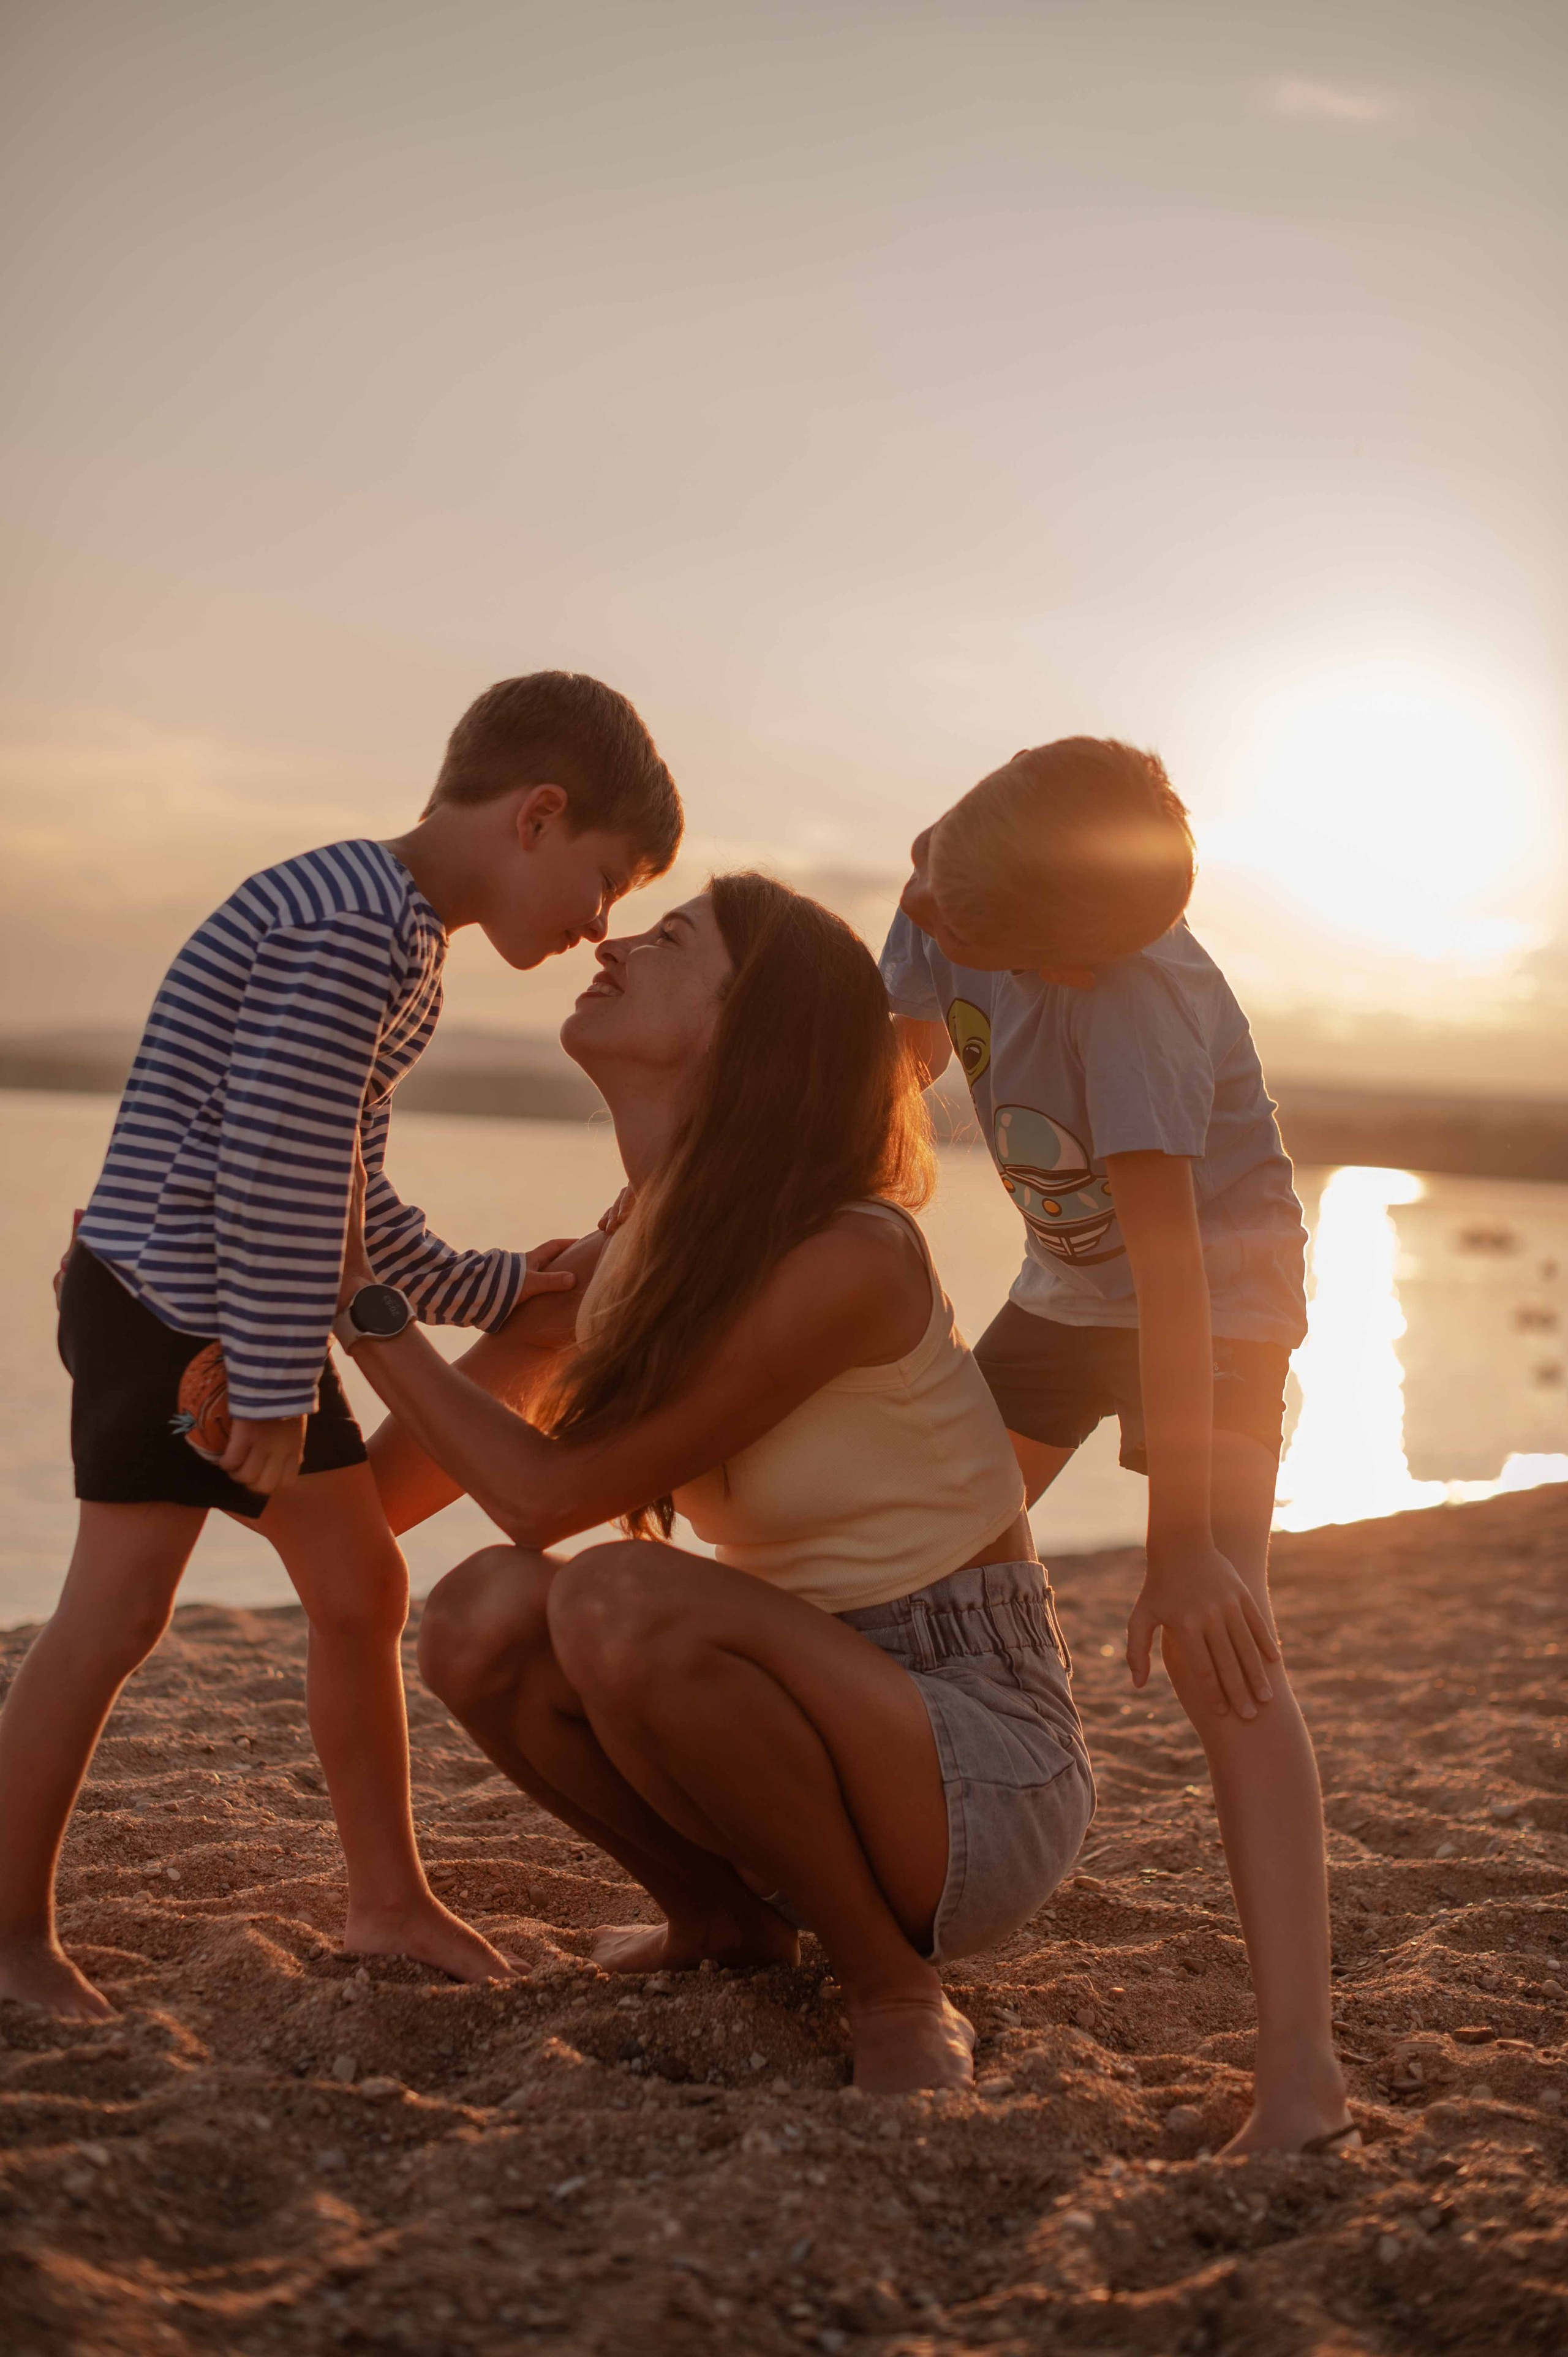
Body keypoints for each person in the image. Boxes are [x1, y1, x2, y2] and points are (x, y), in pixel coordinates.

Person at [336, 875, 1095, 2095]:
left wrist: (366, 1309)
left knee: (617, 1594)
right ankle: (724, 1925)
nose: (614, 938)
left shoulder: (847, 1253)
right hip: (777, 1705)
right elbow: (390, 1498)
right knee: (478, 1613)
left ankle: (891, 1985)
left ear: (749, 1027)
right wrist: (227, 1411)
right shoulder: (639, 1243)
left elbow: (545, 1497)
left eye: (670, 935)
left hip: (972, 1761)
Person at [0, 672, 680, 2021]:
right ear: (538, 815)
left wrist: (491, 1283)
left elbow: (342, 1187)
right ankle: (9, 1930)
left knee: (361, 1585)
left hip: (222, 1299)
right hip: (176, 1312)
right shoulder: (351, 933)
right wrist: (260, 1380)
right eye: (603, 882)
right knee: (115, 1614)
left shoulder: (385, 927)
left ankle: (385, 1901)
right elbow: (267, 1174)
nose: (598, 926)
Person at [880, 736, 1353, 2157]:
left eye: (962, 929)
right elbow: (877, 1094)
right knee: (906, 1539)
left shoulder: (1135, 1007)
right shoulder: (942, 877)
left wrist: (1182, 1547)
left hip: (1210, 1316)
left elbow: (1173, 1273)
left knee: (1229, 1654)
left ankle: (1300, 2073)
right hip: (1060, 1294)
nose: (925, 917)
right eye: (931, 883)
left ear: (1059, 968)